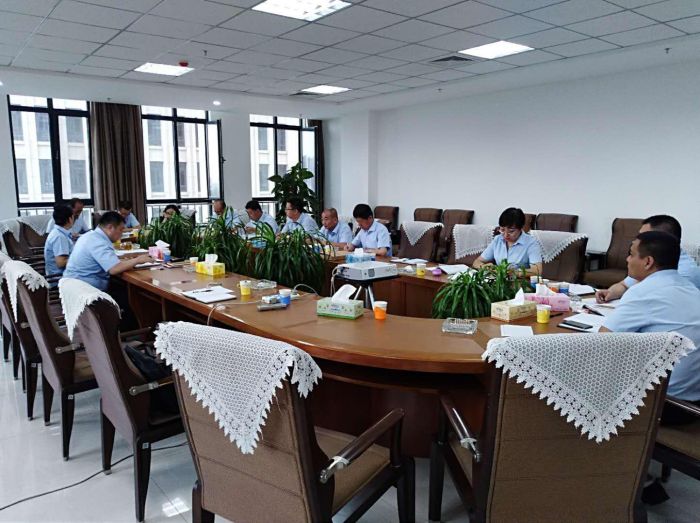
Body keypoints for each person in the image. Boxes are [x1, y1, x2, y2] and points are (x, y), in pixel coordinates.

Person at [604, 231, 700, 425]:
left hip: (663, 405)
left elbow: (603, 342)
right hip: (693, 402)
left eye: (631, 254)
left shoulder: (643, 291)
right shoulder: (691, 289)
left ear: (648, 262)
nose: (627, 259)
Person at [64, 212, 152, 329]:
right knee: (132, 297)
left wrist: (132, 257)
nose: (122, 233)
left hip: (77, 286)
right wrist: (138, 260)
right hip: (87, 292)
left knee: (125, 289)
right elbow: (114, 269)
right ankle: (132, 331)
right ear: (110, 227)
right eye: (121, 229)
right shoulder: (99, 242)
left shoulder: (90, 236)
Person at [596, 215, 700, 303]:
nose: (638, 240)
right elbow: (624, 285)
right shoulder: (654, 260)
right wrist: (610, 293)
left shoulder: (683, 273)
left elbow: (647, 300)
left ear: (662, 239)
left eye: (644, 236)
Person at [473, 207, 542, 277]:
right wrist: (484, 267)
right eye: (502, 230)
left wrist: (515, 273)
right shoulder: (497, 240)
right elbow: (476, 262)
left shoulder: (531, 243)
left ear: (521, 228)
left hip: (519, 281)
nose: (506, 235)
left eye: (511, 231)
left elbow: (537, 271)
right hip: (499, 280)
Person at [44, 204, 74, 278]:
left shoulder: (57, 232)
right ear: (70, 219)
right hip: (60, 278)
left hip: (61, 275)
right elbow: (61, 263)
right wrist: (79, 257)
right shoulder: (60, 237)